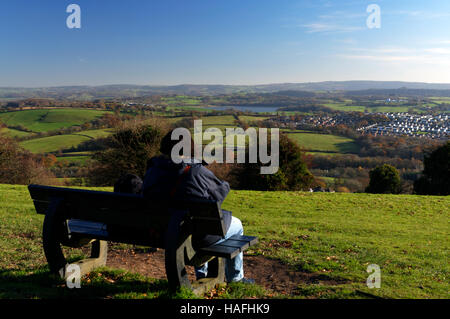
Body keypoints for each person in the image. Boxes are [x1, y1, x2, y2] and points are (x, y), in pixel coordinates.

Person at [142, 130, 254, 284]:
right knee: (237, 225)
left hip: (162, 233)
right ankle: (236, 278)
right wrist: (222, 181)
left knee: (195, 221)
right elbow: (219, 193)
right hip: (194, 239)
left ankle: (203, 274)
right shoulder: (195, 171)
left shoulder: (153, 169)